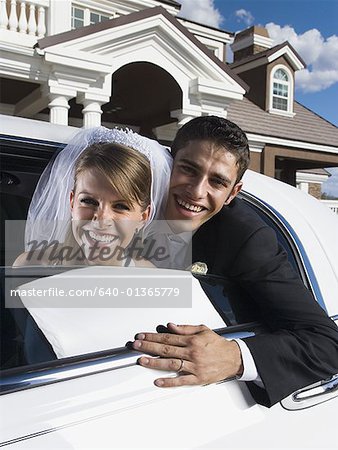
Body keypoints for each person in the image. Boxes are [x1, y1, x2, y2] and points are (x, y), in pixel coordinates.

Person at [129, 116, 338, 407]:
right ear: (168, 163)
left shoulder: (246, 238)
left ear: (232, 194)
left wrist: (235, 357)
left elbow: (328, 344)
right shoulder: (119, 201)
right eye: (188, 169)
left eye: (217, 181)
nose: (197, 191)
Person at [14, 127, 172, 267]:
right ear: (72, 202)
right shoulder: (30, 265)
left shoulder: (148, 276)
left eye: (121, 206)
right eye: (88, 201)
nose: (102, 219)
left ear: (144, 217)